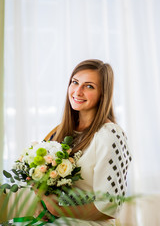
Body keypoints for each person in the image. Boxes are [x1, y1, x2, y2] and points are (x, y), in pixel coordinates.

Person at [34, 59, 132, 226]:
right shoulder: (61, 131)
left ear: (103, 94)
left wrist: (55, 209)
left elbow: (109, 207)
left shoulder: (110, 134)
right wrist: (40, 203)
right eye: (75, 82)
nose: (77, 91)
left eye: (89, 86)